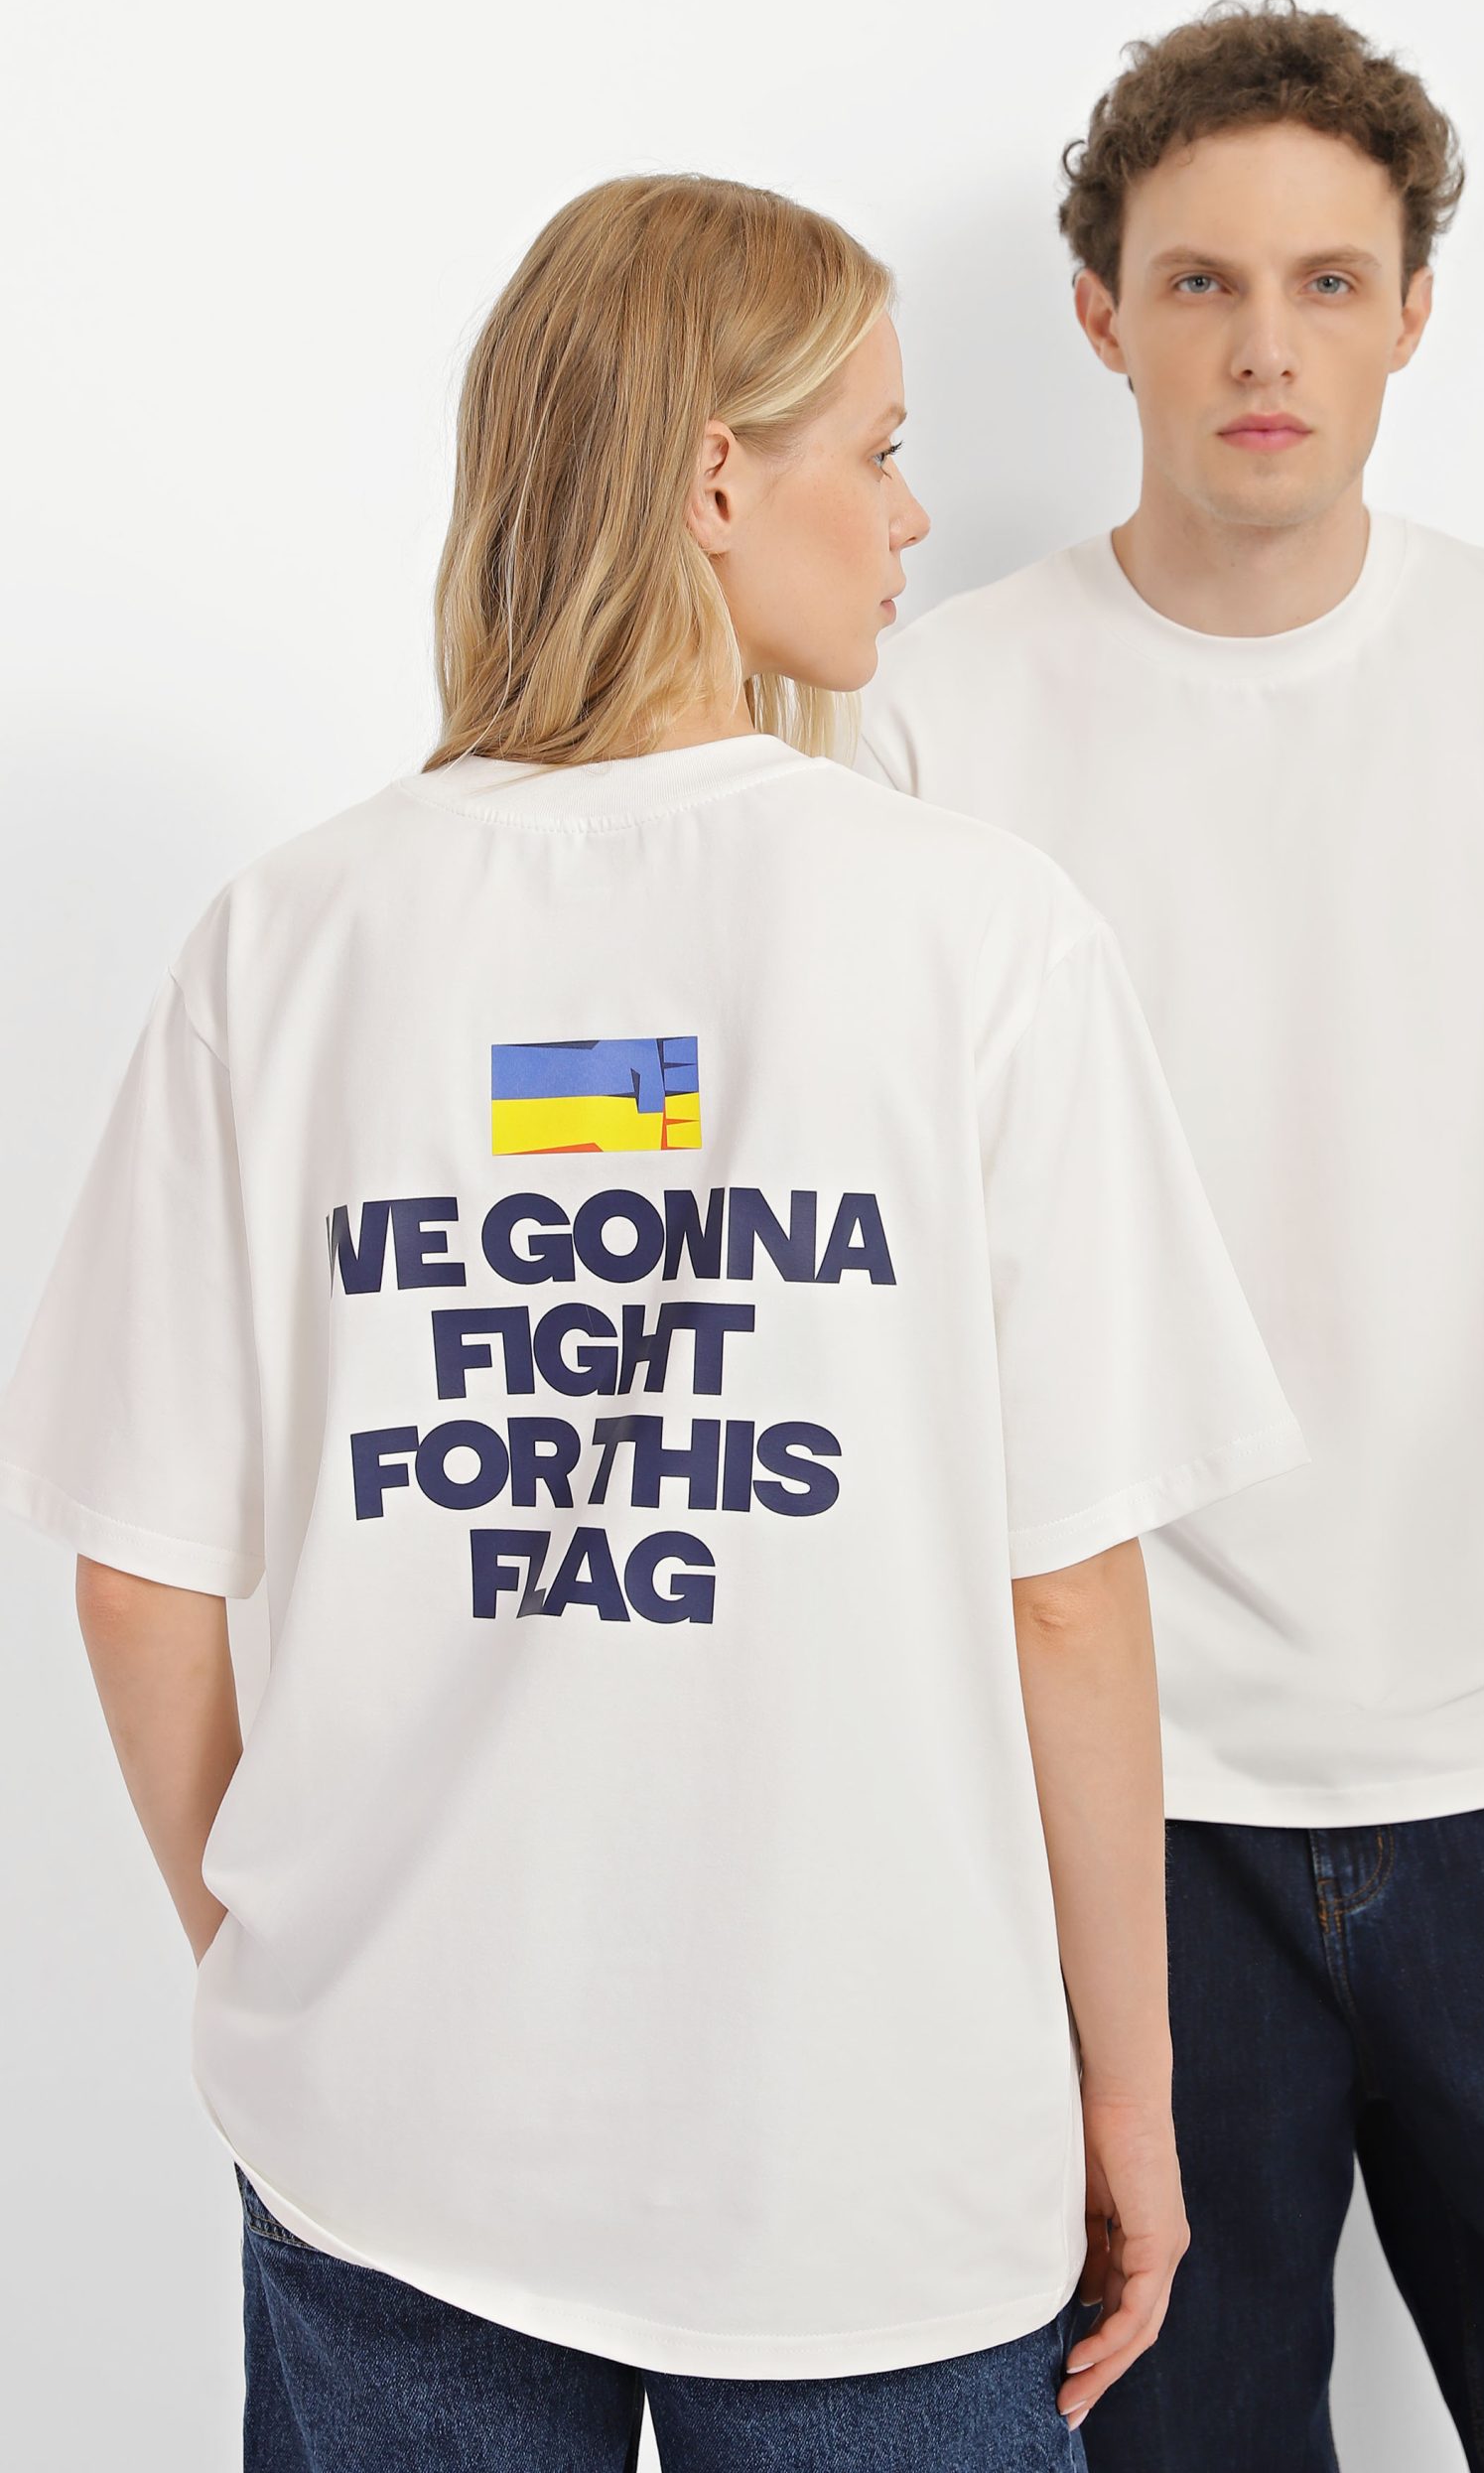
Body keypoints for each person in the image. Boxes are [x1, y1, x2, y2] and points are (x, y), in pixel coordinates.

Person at [0, 173, 1310, 2470]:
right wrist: (1130, 2090)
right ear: (719, 478)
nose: (913, 514)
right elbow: (1070, 1597)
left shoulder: (286, 939)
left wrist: (290, 1978)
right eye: (875, 449)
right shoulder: (977, 935)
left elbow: (139, 1574)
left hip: (395, 2128)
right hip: (870, 2148)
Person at [857, 0, 1484, 2473]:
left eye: (1325, 282)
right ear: (1102, 318)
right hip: (1124, 1801)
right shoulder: (935, 720)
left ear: (1413, 314)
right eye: (1201, 283)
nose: (1264, 345)